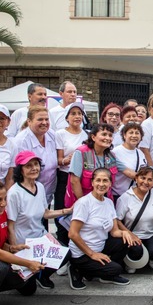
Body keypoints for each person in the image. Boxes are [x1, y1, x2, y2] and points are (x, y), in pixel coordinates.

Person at [6, 151, 73, 289]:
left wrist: (68, 210)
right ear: (21, 170)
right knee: (28, 290)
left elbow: (46, 213)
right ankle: (31, 276)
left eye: (36, 164)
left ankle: (42, 276)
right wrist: (14, 250)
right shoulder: (14, 193)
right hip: (23, 243)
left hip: (40, 238)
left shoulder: (40, 187)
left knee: (65, 253)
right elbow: (10, 225)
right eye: (28, 166)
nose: (34, 168)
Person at [68, 168, 133, 290]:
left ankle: (102, 273)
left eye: (105, 181)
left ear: (110, 183)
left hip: (100, 247)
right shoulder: (84, 203)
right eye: (98, 180)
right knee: (116, 269)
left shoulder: (108, 202)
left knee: (124, 241)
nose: (101, 184)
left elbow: (114, 232)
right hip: (82, 253)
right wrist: (92, 254)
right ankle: (76, 269)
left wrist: (125, 232)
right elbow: (72, 234)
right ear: (92, 182)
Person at [116, 166, 153, 274]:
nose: (146, 182)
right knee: (136, 252)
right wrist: (129, 234)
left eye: (150, 179)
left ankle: (152, 258)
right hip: (133, 234)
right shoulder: (125, 197)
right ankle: (133, 260)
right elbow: (117, 220)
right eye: (143, 178)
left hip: (152, 233)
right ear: (136, 178)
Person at [55, 103, 88, 245]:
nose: (77, 116)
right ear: (67, 117)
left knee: (80, 210)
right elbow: (58, 159)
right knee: (63, 210)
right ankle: (62, 243)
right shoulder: (60, 134)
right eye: (73, 113)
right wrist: (66, 160)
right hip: (65, 176)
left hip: (82, 177)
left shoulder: (87, 134)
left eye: (79, 114)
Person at [14, 106, 58, 206]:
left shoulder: (52, 135)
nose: (44, 122)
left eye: (46, 119)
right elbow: (19, 171)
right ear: (29, 121)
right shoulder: (22, 141)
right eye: (40, 119)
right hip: (28, 195)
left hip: (47, 193)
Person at [68, 123, 118, 203]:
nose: (108, 138)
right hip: (83, 201)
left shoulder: (112, 156)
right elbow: (74, 181)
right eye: (104, 134)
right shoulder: (81, 152)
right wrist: (84, 203)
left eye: (110, 135)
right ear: (93, 137)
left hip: (104, 201)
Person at [112, 122, 147, 198]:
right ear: (124, 135)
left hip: (135, 196)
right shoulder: (115, 152)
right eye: (131, 133)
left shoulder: (140, 153)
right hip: (118, 195)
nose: (134, 136)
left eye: (137, 133)